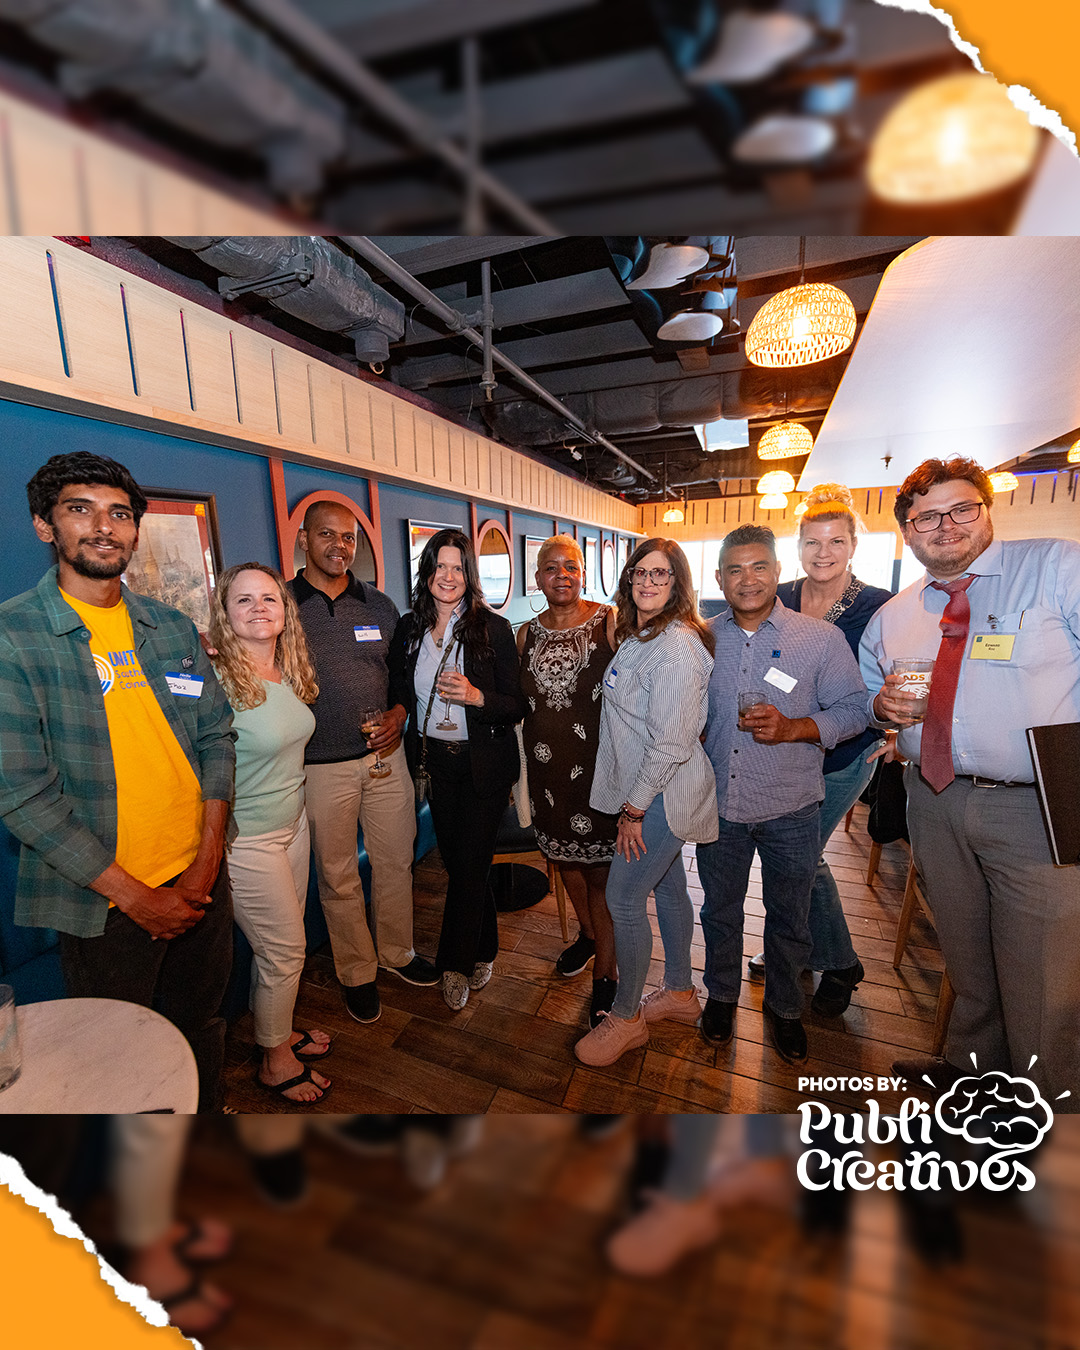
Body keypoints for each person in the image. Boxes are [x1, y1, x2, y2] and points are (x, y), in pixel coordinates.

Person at [0, 452, 235, 1111]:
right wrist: (137, 898)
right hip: (103, 902)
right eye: (81, 509)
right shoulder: (14, 638)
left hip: (200, 880)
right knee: (116, 1063)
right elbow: (21, 792)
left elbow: (216, 737)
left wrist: (206, 861)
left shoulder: (171, 627)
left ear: (135, 530)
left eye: (120, 514)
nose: (104, 526)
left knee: (203, 1027)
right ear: (45, 525)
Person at [860, 456, 1080, 1105]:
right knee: (965, 955)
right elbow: (873, 700)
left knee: (1043, 975)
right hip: (934, 800)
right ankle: (972, 1072)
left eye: (961, 508)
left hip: (1035, 805)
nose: (945, 525)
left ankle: (1046, 1112)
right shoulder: (894, 615)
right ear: (907, 532)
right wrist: (880, 709)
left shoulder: (1055, 567)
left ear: (987, 510)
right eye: (927, 517)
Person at [697, 525, 868, 1065]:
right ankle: (721, 996)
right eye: (735, 569)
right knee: (719, 911)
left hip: (791, 805)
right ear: (719, 578)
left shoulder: (820, 639)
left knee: (790, 917)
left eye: (759, 567)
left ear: (777, 571)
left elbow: (856, 710)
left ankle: (787, 1007)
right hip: (719, 806)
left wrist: (796, 727)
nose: (747, 579)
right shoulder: (701, 637)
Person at [288, 501, 437, 1029]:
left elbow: (401, 678)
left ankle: (396, 953)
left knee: (396, 860)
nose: (339, 546)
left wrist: (399, 713)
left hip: (384, 759)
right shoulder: (281, 604)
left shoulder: (379, 605)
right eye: (327, 534)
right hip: (319, 765)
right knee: (338, 875)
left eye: (348, 537)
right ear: (304, 539)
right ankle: (356, 971)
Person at [747, 484, 893, 1016]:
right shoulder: (779, 594)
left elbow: (906, 674)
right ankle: (795, 949)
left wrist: (898, 732)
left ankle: (840, 963)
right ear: (798, 547)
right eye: (812, 541)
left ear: (853, 545)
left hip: (843, 754)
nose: (823, 552)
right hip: (783, 750)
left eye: (835, 541)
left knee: (802, 859)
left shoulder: (879, 605)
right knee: (789, 858)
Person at [573, 538, 718, 1068]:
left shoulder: (677, 644)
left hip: (661, 794)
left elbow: (672, 743)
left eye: (661, 573)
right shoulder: (643, 635)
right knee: (670, 886)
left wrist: (633, 810)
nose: (649, 582)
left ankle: (627, 1017)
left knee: (624, 898)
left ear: (678, 583)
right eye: (641, 572)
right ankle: (679, 992)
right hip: (648, 789)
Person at [208, 562, 332, 1105]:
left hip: (292, 824)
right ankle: (275, 1062)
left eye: (269, 598)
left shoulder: (287, 670)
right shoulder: (214, 682)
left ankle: (276, 1030)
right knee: (285, 950)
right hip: (247, 840)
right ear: (224, 614)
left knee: (279, 948)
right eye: (244, 600)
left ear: (285, 612)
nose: (259, 607)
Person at [388, 528, 527, 1011]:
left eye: (457, 568)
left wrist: (476, 696)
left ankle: (454, 964)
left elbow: (517, 704)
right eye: (440, 566)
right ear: (427, 572)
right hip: (435, 763)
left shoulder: (494, 629)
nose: (448, 577)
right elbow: (399, 688)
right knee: (464, 864)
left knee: (467, 868)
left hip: (484, 765)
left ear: (469, 575)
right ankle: (485, 947)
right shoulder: (408, 629)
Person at [517, 534, 619, 1027]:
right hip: (546, 773)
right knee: (564, 860)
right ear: (537, 578)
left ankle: (607, 974)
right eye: (551, 567)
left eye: (571, 566)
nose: (562, 575)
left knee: (602, 874)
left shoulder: (611, 622)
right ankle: (588, 935)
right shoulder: (525, 634)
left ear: (583, 573)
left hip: (600, 771)